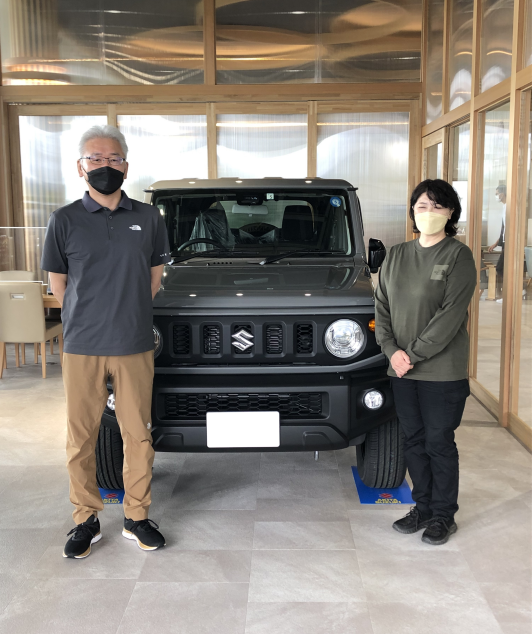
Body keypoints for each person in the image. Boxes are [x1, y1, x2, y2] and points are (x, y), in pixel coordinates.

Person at [41, 125, 171, 558]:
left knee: (138, 435)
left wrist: (125, 313)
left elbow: (153, 280)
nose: (105, 166)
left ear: (126, 166)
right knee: (81, 437)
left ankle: (137, 516)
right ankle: (86, 519)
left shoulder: (149, 218)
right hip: (82, 346)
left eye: (114, 158)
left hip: (134, 343)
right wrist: (89, 317)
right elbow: (59, 284)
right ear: (81, 167)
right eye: (95, 159)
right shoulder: (63, 220)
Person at [375, 179, 477, 545]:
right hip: (401, 368)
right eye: (422, 205)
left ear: (451, 213)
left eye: (438, 206)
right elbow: (382, 306)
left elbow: (450, 316)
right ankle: (423, 507)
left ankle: (443, 515)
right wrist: (391, 351)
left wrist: (412, 355)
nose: (429, 212)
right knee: (414, 441)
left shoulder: (458, 256)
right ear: (412, 211)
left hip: (441, 371)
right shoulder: (397, 254)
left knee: (438, 442)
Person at [488, 184, 506, 301]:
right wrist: (496, 244)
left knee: (501, 268)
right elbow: (503, 230)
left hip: (509, 243)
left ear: (503, 194)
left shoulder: (509, 207)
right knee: (502, 268)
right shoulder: (504, 207)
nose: (496, 196)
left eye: (497, 193)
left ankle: (510, 293)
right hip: (505, 242)